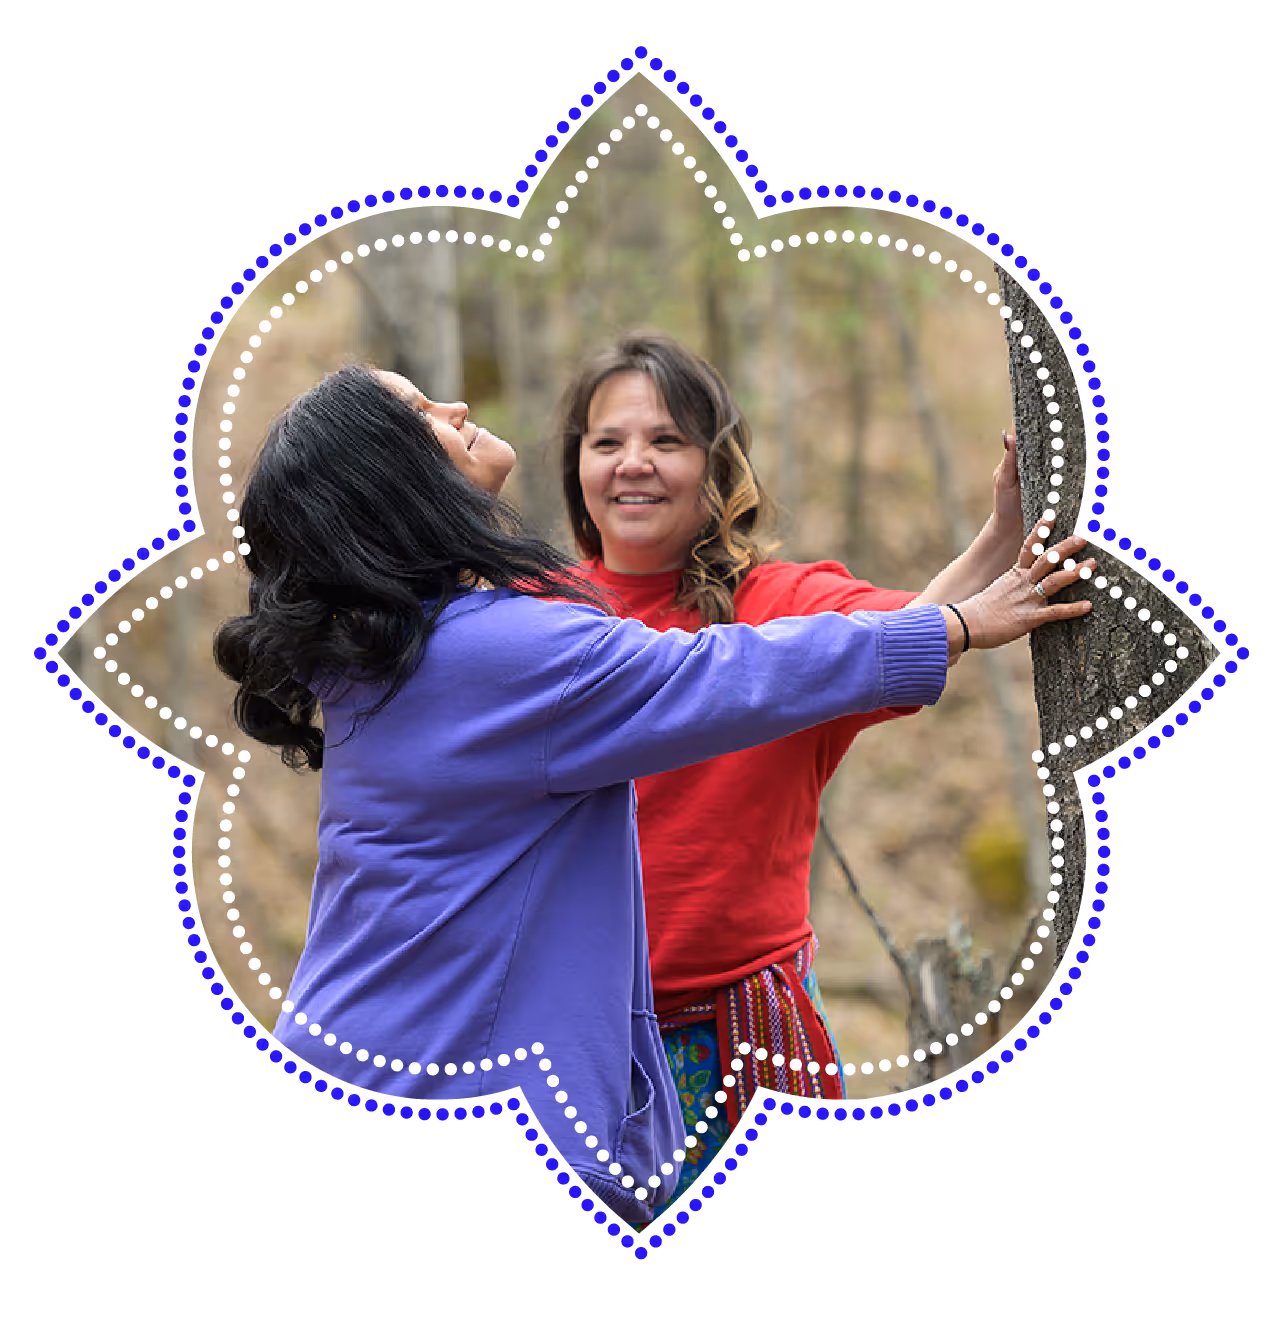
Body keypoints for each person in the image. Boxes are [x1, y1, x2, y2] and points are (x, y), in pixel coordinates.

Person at [215, 363, 1091, 1227]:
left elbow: (832, 654)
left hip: (396, 1070)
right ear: (392, 478)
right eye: (419, 412)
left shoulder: (393, 653)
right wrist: (962, 625)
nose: (456, 405)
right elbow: (733, 672)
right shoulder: (506, 644)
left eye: (667, 440)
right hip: (440, 1091)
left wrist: (980, 570)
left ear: (716, 469)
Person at [558, 332, 1065, 1194]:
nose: (633, 464)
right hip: (573, 1041)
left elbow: (902, 634)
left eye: (667, 441)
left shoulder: (777, 604)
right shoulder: (540, 617)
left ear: (716, 465)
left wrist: (1002, 534)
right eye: (607, 442)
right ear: (577, 465)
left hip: (743, 1039)